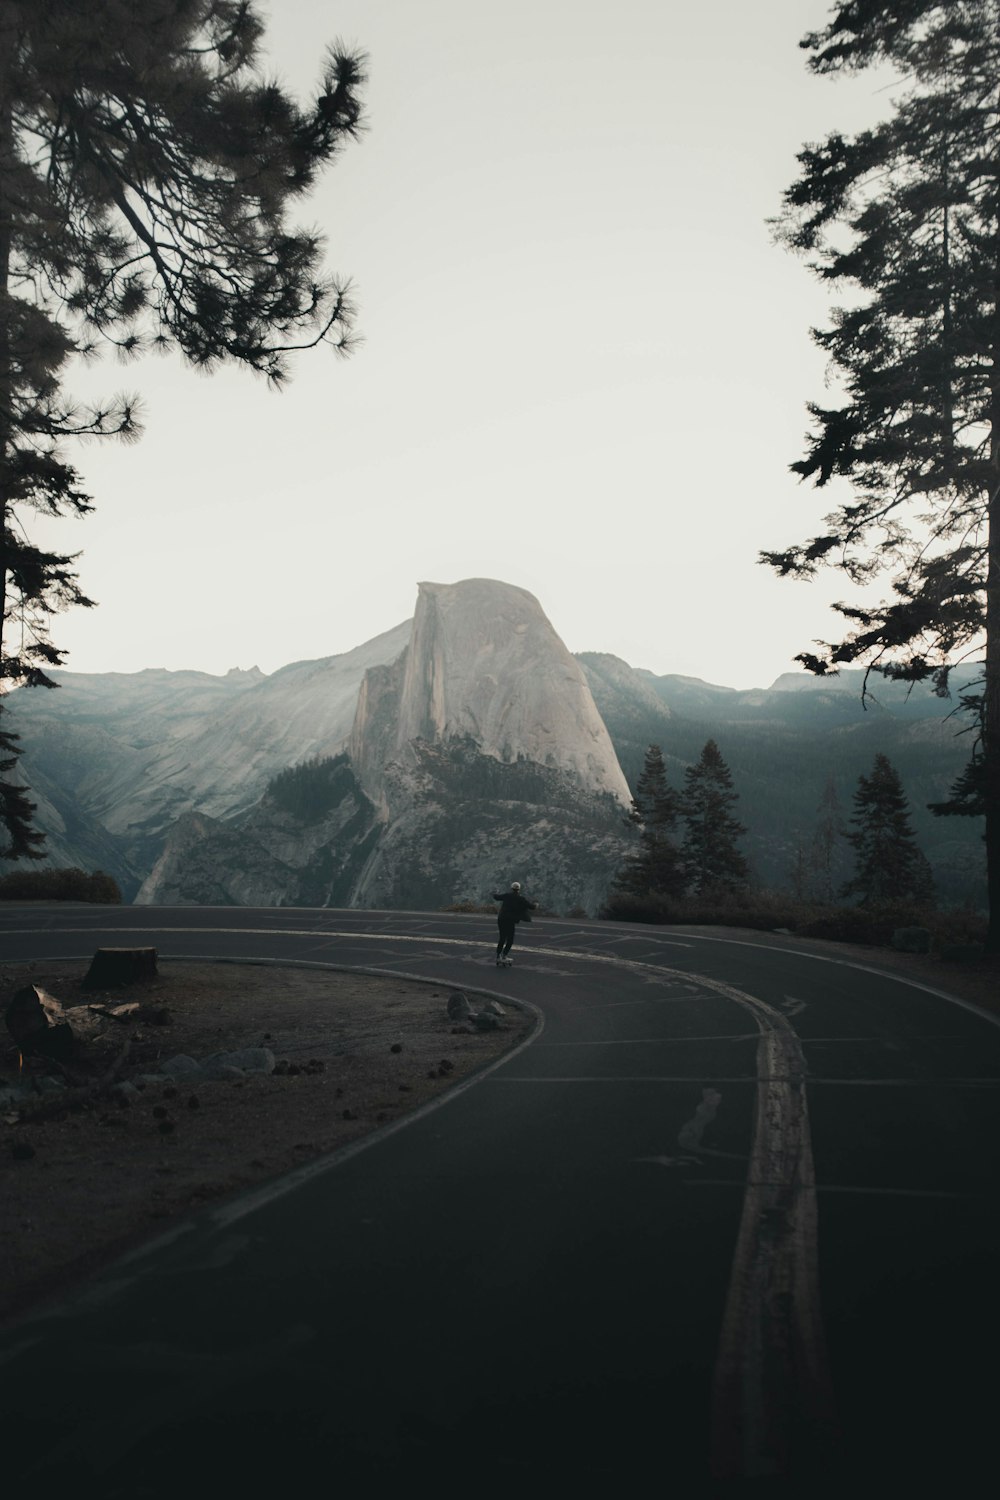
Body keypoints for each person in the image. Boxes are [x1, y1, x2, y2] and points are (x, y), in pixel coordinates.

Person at [491, 881, 538, 966]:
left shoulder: (507, 895)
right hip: (510, 920)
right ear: (519, 889)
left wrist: (495, 892)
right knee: (510, 939)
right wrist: (536, 904)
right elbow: (531, 907)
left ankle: (498, 956)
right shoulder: (521, 898)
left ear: (511, 888)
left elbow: (496, 897)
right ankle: (505, 955)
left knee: (502, 938)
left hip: (501, 919)